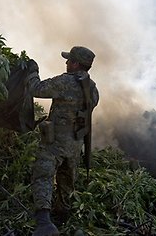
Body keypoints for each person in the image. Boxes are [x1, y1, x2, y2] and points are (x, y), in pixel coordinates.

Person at [28, 46, 99, 236]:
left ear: (76, 64)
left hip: (55, 142)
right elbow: (93, 104)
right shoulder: (92, 88)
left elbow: (36, 89)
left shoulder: (64, 82)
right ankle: (62, 214)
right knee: (67, 179)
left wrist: (32, 71)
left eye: (69, 60)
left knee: (42, 175)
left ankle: (44, 222)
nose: (66, 63)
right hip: (75, 143)